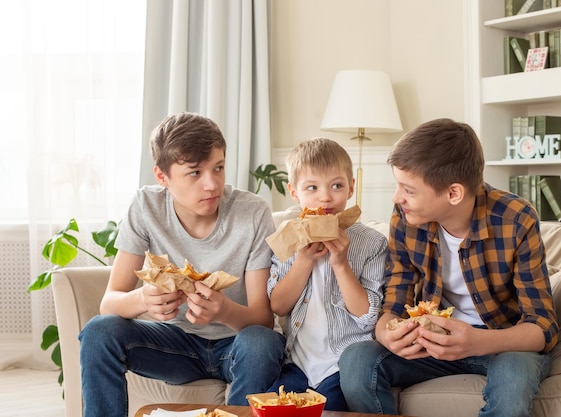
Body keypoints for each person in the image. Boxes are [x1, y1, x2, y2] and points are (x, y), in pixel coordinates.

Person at [338, 118, 559, 417]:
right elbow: (396, 294)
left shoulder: (516, 219)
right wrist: (385, 331)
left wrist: (477, 341)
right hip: (432, 341)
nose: (396, 197)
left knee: (513, 381)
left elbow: (543, 327)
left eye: (409, 189)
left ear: (453, 193)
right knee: (357, 359)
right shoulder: (406, 216)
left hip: (501, 342)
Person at [78, 112, 285, 417]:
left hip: (236, 346)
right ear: (162, 176)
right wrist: (142, 299)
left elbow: (263, 318)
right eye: (194, 173)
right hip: (173, 346)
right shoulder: (146, 206)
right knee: (99, 332)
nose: (211, 184)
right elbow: (110, 303)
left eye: (218, 168)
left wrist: (224, 310)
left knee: (261, 341)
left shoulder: (252, 212)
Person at [266, 138, 387, 411]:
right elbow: (278, 305)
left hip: (342, 364)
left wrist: (341, 264)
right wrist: (303, 261)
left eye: (336, 185)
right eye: (312, 188)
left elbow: (368, 318)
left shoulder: (372, 243)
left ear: (351, 187)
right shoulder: (288, 238)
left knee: (328, 410)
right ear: (294, 192)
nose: (325, 197)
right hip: (297, 363)